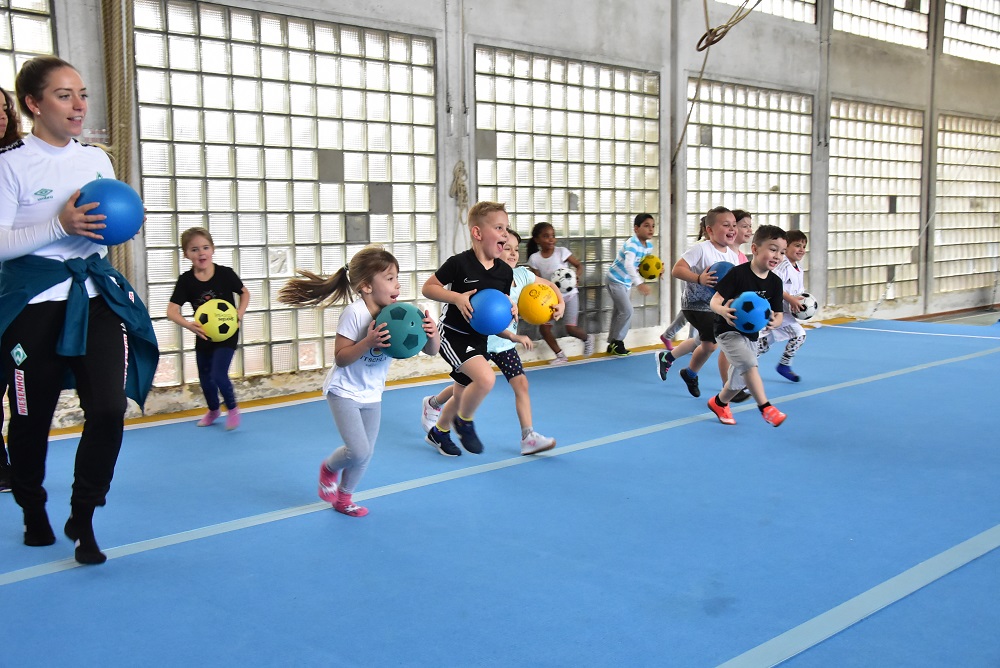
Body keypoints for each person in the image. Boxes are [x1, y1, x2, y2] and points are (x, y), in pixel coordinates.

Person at [0, 56, 159, 564]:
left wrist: (124, 223)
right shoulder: (10, 162)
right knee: (31, 419)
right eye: (64, 95)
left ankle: (84, 515)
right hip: (32, 307)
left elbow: (103, 230)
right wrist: (59, 226)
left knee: (109, 409)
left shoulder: (96, 160)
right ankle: (32, 507)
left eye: (82, 94)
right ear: (33, 103)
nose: (78, 105)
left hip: (93, 300)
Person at [279, 246, 439, 517]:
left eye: (397, 278)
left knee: (366, 453)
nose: (397, 284)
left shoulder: (401, 313)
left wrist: (432, 334)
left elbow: (432, 351)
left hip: (372, 394)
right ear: (366, 286)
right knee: (358, 450)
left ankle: (344, 499)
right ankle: (329, 468)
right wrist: (367, 342)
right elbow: (341, 358)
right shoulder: (354, 313)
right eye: (389, 278)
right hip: (344, 392)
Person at [422, 230, 562, 456]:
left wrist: (560, 303)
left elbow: (548, 285)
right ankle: (438, 416)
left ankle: (528, 436)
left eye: (516, 249)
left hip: (504, 344)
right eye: (507, 248)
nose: (512, 253)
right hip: (480, 343)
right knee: (462, 393)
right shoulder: (485, 277)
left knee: (521, 385)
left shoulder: (521, 275)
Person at [422, 201, 514, 456]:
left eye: (506, 228)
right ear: (477, 233)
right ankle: (464, 421)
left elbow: (500, 304)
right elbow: (428, 288)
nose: (505, 234)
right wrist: (457, 298)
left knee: (462, 392)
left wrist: (511, 309)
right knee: (485, 379)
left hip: (480, 338)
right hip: (453, 335)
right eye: (499, 228)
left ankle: (439, 432)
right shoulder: (459, 263)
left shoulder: (505, 272)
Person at [167, 227, 250, 429]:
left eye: (205, 247)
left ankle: (232, 409)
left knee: (218, 374)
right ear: (186, 254)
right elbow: (171, 311)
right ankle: (213, 410)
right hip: (203, 334)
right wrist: (189, 325)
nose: (201, 253)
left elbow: (245, 293)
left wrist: (239, 313)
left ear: (213, 249)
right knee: (205, 378)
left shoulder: (225, 274)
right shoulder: (186, 281)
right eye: (194, 249)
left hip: (227, 334)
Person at [706, 224, 788, 427]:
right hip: (728, 331)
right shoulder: (738, 274)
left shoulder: (775, 283)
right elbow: (715, 301)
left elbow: (779, 314)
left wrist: (774, 322)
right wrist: (723, 310)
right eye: (773, 249)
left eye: (782, 252)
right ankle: (766, 408)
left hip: (751, 335)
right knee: (750, 364)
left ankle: (719, 403)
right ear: (755, 249)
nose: (777, 256)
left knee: (739, 380)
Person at [655, 206, 739, 396]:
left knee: (701, 341)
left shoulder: (732, 256)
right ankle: (693, 374)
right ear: (710, 230)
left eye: (734, 225)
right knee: (711, 344)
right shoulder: (700, 249)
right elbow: (677, 270)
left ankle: (671, 359)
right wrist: (699, 278)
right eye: (726, 225)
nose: (732, 229)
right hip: (695, 305)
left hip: (714, 306)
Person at [525, 221, 594, 363]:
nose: (551, 239)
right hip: (551, 299)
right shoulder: (534, 259)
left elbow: (578, 265)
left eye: (553, 236)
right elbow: (537, 281)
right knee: (544, 330)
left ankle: (588, 339)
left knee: (570, 328)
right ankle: (560, 356)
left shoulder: (561, 252)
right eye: (546, 236)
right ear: (537, 240)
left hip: (570, 295)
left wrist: (576, 276)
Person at [0, 84, 23, 494]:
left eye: (4, 108)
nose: (1, 116)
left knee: (20, 383)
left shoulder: (22, 161)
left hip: (18, 293)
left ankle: (21, 462)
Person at [758, 229, 809, 382]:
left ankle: (783, 365)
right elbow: (774, 287)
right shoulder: (783, 266)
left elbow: (797, 290)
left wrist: (802, 301)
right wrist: (791, 300)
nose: (801, 250)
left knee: (796, 336)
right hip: (775, 312)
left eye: (804, 246)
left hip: (786, 314)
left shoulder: (798, 267)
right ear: (786, 247)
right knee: (764, 345)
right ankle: (743, 371)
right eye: (797, 245)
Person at [605, 213, 656, 356]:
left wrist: (658, 270)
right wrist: (639, 284)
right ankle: (618, 342)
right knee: (627, 311)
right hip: (615, 280)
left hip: (626, 283)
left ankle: (612, 343)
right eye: (646, 226)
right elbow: (629, 265)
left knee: (619, 312)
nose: (651, 229)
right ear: (636, 228)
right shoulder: (632, 244)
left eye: (653, 226)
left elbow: (643, 265)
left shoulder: (648, 246)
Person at [658, 216, 707, 351]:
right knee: (696, 312)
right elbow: (682, 268)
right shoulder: (699, 247)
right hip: (692, 283)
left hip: (702, 286)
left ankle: (668, 335)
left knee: (689, 313)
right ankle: (691, 342)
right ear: (706, 230)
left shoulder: (717, 246)